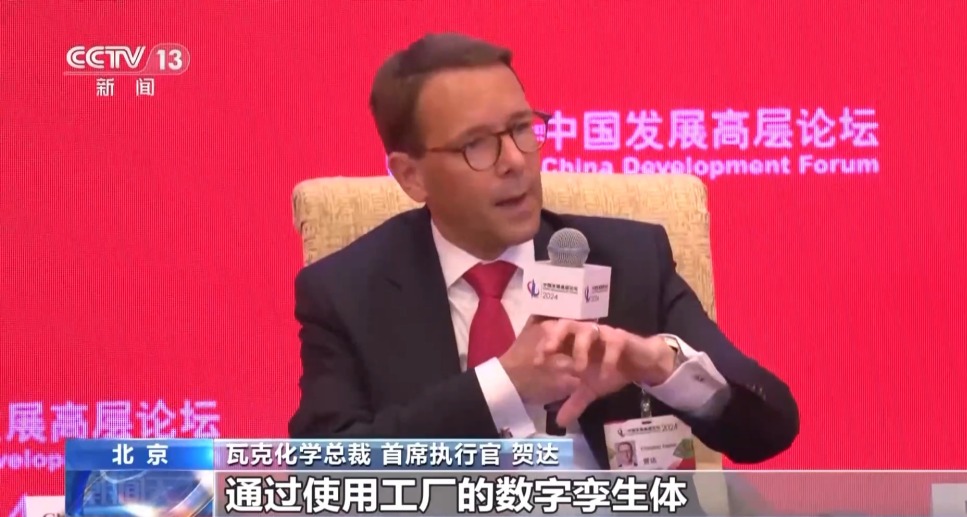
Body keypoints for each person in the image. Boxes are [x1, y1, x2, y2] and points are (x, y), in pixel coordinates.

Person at [288, 32, 799, 471]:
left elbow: (770, 427)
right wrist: (503, 386)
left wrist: (665, 368)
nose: (516, 160)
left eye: (521, 129)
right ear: (411, 176)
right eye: (476, 144)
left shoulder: (629, 260)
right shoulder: (348, 292)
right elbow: (324, 470)